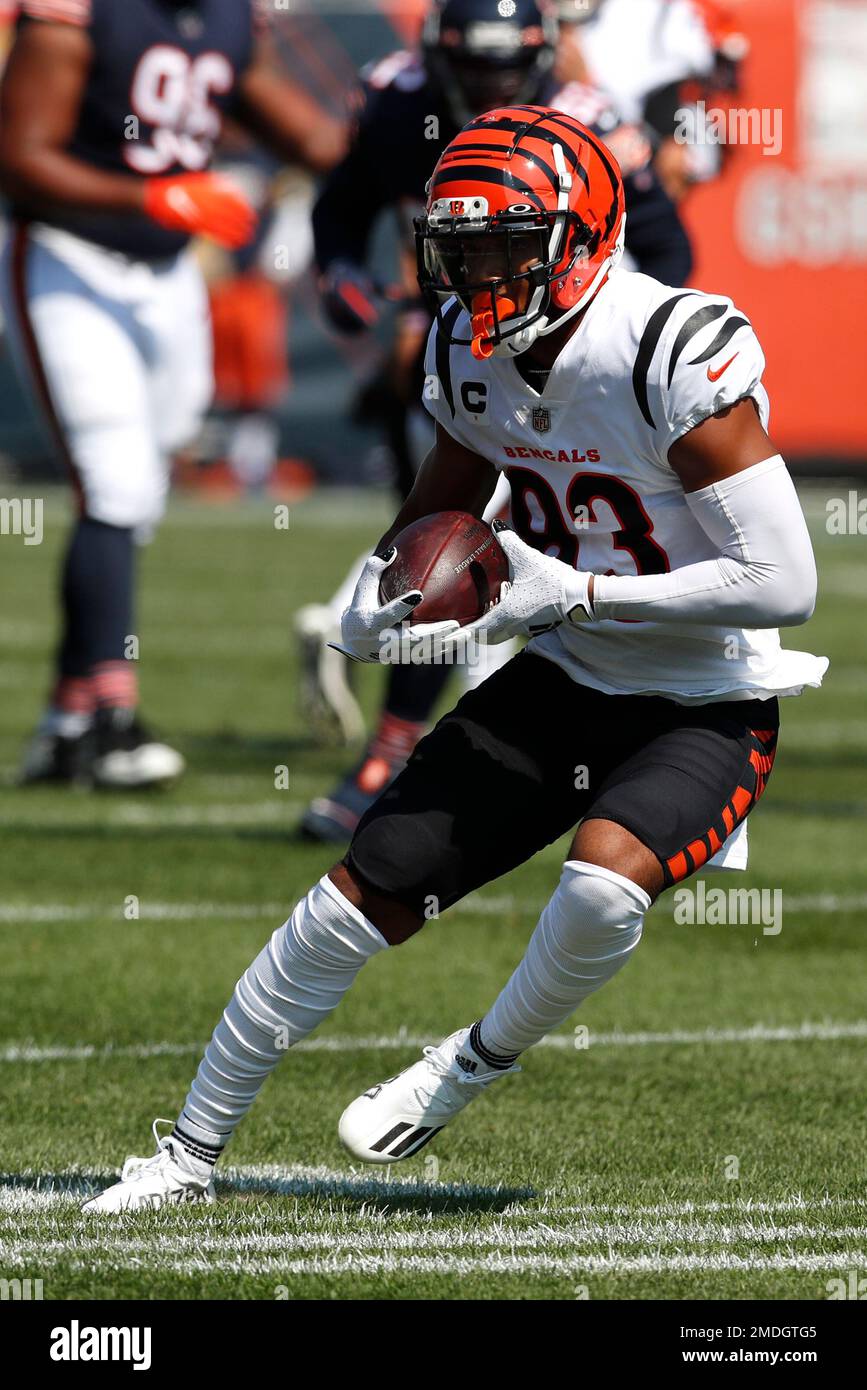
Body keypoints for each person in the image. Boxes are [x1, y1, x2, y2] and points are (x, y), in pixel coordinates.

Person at [83, 105, 825, 1210]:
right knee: (346, 904)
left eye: (507, 244)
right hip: (569, 674)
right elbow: (437, 509)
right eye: (461, 246)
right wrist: (370, 602)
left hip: (704, 694)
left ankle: (467, 1063)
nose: (480, 273)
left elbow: (786, 584)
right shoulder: (466, 353)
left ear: (579, 239)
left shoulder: (669, 349)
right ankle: (185, 1156)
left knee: (601, 890)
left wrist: (570, 590)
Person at [298, 0, 694, 842]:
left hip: (582, 363)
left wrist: (618, 350)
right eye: (474, 71)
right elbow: (338, 209)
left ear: (542, 55)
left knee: (538, 559)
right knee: (446, 541)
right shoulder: (399, 105)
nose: (489, 85)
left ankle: (629, 749)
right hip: (471, 348)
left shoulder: (587, 120)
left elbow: (667, 246)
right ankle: (405, 749)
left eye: (505, 70)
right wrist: (344, 279)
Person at [0, 0, 345, 787]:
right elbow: (18, 155)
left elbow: (314, 138)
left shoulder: (226, 18)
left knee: (137, 490)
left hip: (166, 272)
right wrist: (148, 197)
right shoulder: (77, 13)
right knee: (115, 479)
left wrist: (416, 136)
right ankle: (112, 722)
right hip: (66, 257)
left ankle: (66, 722)